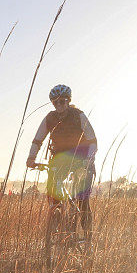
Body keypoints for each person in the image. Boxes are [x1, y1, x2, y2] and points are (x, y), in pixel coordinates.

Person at [27, 84, 97, 239]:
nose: (59, 105)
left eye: (63, 101)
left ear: (68, 101)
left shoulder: (78, 115)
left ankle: (88, 239)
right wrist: (31, 158)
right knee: (53, 192)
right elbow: (37, 140)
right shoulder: (50, 118)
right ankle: (57, 221)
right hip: (60, 160)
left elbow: (93, 140)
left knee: (82, 200)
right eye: (56, 102)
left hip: (82, 159)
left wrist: (89, 160)